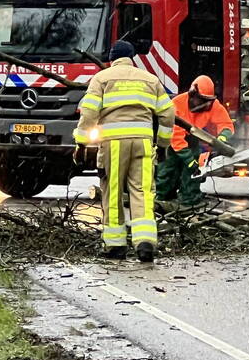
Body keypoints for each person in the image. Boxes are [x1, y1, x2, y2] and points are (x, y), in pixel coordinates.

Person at [74, 40, 175, 262]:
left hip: (113, 143)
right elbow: (168, 114)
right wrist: (164, 145)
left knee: (112, 191)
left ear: (112, 58)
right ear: (132, 58)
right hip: (143, 142)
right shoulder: (150, 80)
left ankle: (115, 245)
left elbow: (89, 113)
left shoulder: (101, 79)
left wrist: (81, 143)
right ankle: (145, 241)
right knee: (142, 192)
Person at [156, 75, 235, 207]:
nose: (205, 104)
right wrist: (189, 161)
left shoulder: (212, 105)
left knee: (192, 174)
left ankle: (189, 201)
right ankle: (162, 201)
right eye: (201, 100)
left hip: (193, 138)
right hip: (172, 141)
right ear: (193, 95)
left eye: (207, 100)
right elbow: (176, 138)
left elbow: (226, 124)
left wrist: (221, 139)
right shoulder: (177, 103)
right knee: (168, 171)